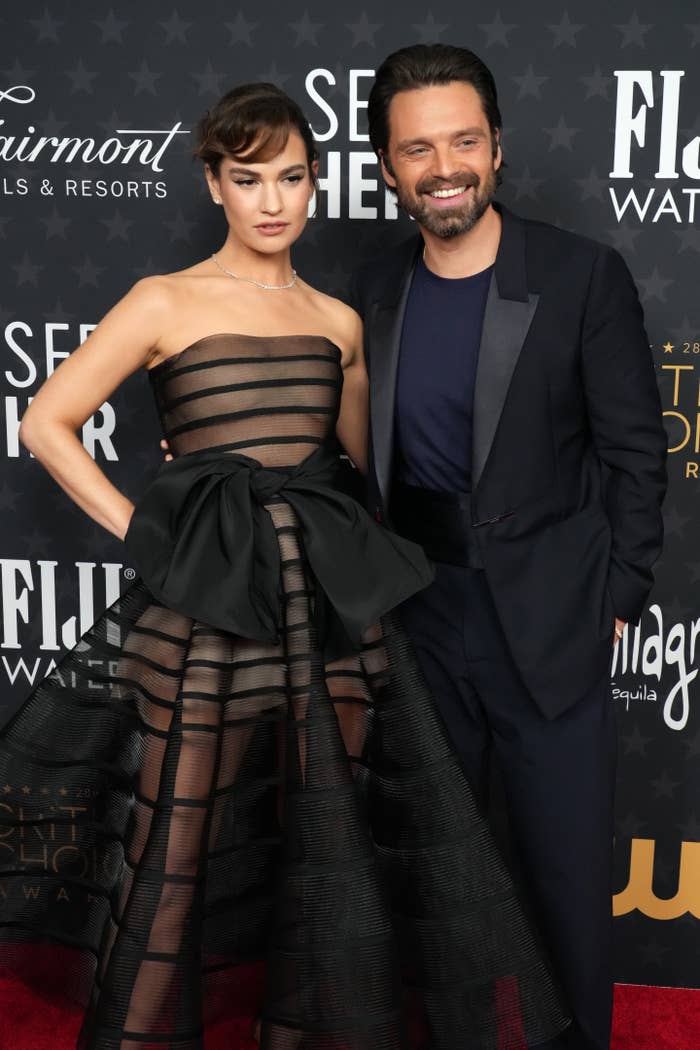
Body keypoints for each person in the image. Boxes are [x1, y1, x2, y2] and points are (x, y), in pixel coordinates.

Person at [0, 83, 571, 1050]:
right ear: (215, 185)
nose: (273, 200)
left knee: (329, 848)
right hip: (205, 614)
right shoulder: (162, 300)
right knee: (173, 847)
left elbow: (360, 468)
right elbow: (45, 423)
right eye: (247, 178)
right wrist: (146, 531)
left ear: (319, 183)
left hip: (328, 615)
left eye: (292, 177)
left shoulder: (340, 320)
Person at [350, 44, 668, 1050]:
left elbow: (634, 453)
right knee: (435, 864)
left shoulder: (579, 276)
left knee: (565, 872)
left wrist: (612, 597)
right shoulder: (374, 295)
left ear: (496, 146)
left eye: (463, 141)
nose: (443, 166)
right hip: (423, 618)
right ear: (388, 167)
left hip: (552, 620)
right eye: (416, 149)